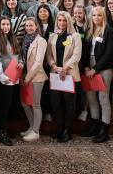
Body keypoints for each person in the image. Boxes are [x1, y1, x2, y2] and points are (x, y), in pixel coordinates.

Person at [82, 6, 113, 143]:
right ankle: (95, 125)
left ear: (104, 17)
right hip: (89, 69)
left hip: (103, 69)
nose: (96, 18)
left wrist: (95, 69)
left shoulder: (110, 32)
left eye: (99, 15)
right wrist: (86, 67)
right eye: (94, 15)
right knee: (91, 98)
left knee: (103, 98)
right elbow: (85, 52)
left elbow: (109, 54)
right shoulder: (89, 31)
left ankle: (104, 130)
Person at [46, 11, 82, 142]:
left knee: (69, 104)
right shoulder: (52, 36)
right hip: (55, 73)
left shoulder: (75, 36)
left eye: (64, 20)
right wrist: (54, 66)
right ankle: (60, 127)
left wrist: (65, 68)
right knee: (56, 103)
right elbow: (48, 54)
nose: (61, 23)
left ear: (68, 21)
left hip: (70, 74)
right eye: (59, 20)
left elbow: (77, 55)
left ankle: (68, 130)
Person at [0, 16, 22, 146]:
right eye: (3, 24)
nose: (5, 27)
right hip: (2, 79)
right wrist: (3, 77)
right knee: (2, 107)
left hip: (13, 77)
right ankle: (1, 132)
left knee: (9, 106)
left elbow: (18, 56)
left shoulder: (12, 39)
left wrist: (21, 63)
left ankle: (5, 129)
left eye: (7, 24)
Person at [20, 17, 48, 141]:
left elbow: (38, 63)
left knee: (36, 104)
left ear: (36, 26)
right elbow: (22, 57)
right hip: (25, 75)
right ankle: (31, 127)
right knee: (25, 103)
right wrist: (23, 75)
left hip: (36, 77)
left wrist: (28, 77)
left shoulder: (41, 41)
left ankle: (36, 131)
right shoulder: (25, 40)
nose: (28, 28)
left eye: (31, 25)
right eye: (26, 26)